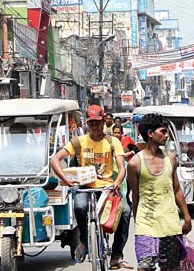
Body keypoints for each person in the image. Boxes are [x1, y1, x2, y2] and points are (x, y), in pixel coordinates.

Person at [50, 105, 132, 269]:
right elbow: (55, 159)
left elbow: (122, 168)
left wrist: (116, 184)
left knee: (125, 212)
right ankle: (84, 241)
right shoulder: (78, 142)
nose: (94, 126)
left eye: (97, 122)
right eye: (91, 123)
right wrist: (66, 180)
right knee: (79, 206)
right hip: (85, 187)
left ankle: (117, 255)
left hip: (107, 188)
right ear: (87, 124)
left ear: (103, 122)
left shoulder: (112, 141)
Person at [127, 113, 191, 271]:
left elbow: (176, 189)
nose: (166, 135)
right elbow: (135, 195)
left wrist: (187, 217)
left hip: (170, 224)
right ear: (150, 133)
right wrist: (138, 222)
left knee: (170, 267)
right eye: (163, 131)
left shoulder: (171, 158)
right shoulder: (135, 163)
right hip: (146, 225)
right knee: (144, 267)